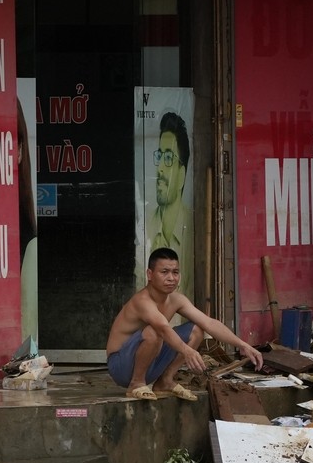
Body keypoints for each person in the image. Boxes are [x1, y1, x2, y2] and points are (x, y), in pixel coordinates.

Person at [107, 247, 263, 400]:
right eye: (164, 272)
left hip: (150, 364)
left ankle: (165, 381)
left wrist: (243, 345)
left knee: (196, 330)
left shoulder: (177, 299)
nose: (171, 278)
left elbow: (209, 323)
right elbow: (162, 328)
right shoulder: (142, 301)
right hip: (121, 366)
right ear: (150, 274)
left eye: (175, 272)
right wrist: (187, 351)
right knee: (154, 331)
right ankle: (136, 383)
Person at [150, 112, 193, 296]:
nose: (160, 167)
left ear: (182, 174)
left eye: (168, 158)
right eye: (159, 156)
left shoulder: (193, 230)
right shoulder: (145, 229)